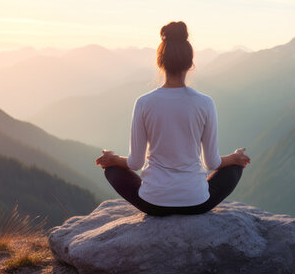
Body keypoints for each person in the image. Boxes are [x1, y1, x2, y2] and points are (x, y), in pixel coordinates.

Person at [95, 21, 250, 216]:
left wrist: (114, 159)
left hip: (153, 204)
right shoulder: (205, 103)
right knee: (234, 169)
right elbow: (212, 163)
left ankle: (157, 192)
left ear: (160, 63)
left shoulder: (144, 103)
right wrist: (235, 158)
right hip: (196, 203)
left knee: (112, 171)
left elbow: (135, 163)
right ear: (190, 64)